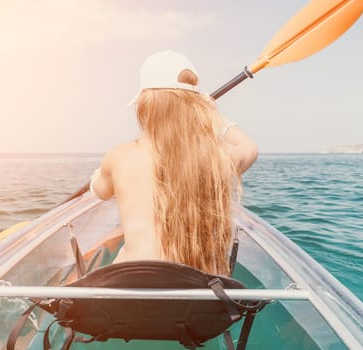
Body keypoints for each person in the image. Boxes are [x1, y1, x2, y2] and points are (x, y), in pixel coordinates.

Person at [90, 50, 257, 276]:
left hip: (131, 290)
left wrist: (99, 175)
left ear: (144, 105)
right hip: (194, 294)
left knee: (119, 261)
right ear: (195, 106)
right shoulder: (215, 157)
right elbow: (249, 149)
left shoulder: (119, 157)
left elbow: (100, 191)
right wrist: (213, 115)